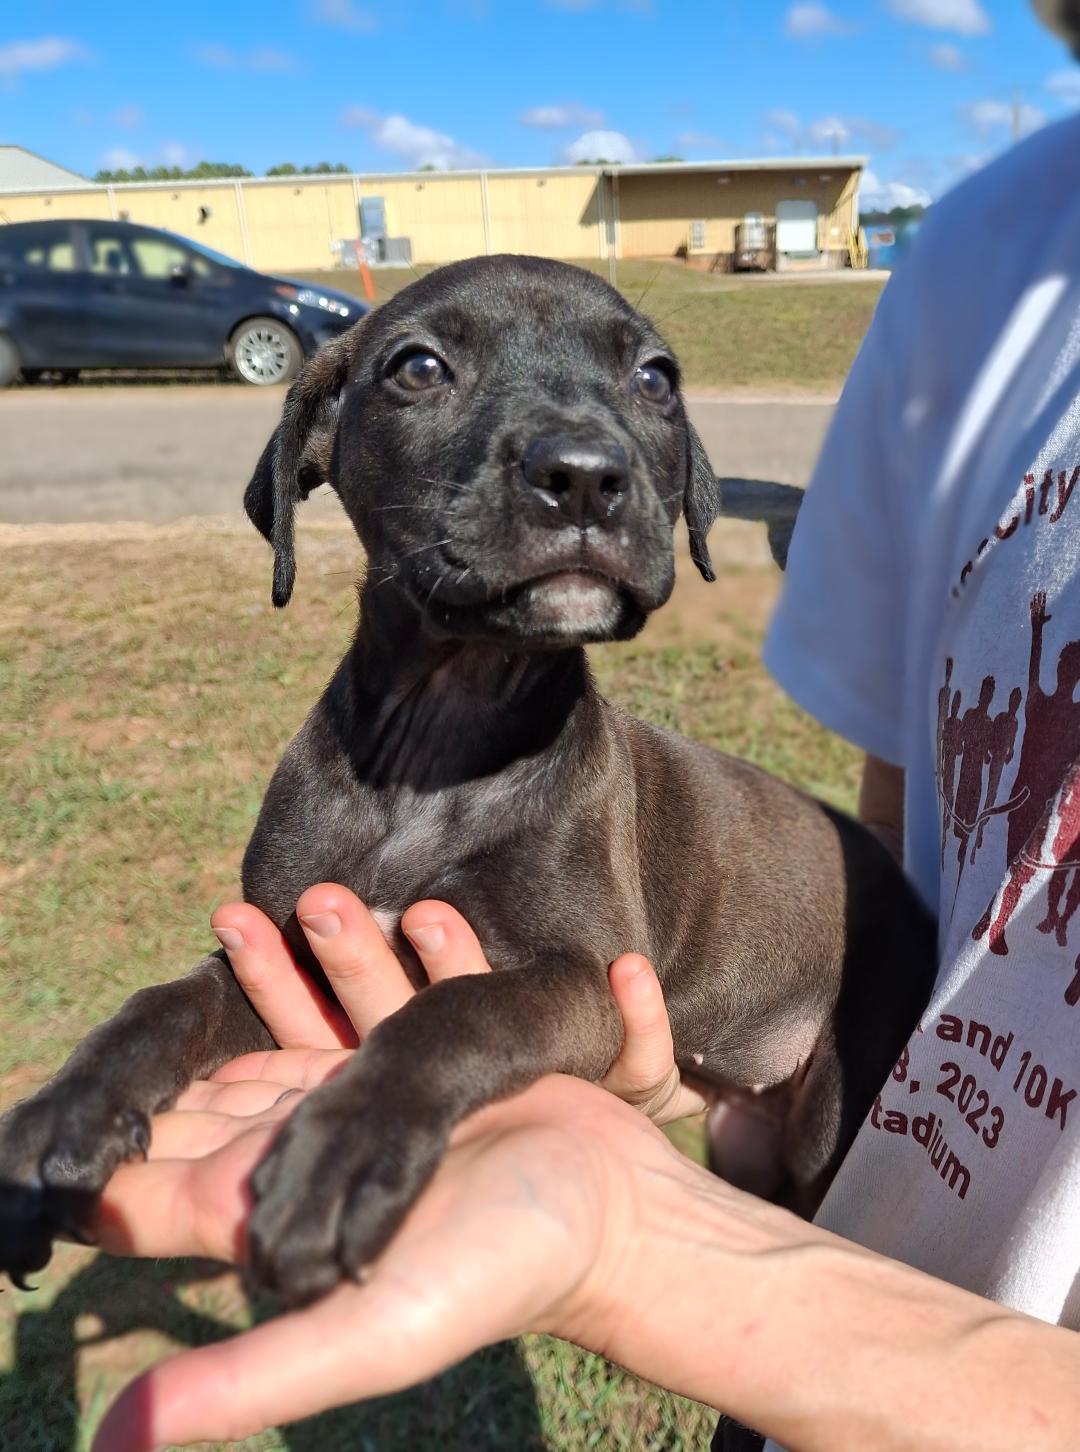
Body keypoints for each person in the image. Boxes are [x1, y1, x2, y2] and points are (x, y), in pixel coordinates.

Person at [89, 11, 1080, 1448]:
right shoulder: (987, 262)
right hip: (863, 1261)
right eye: (427, 371)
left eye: (646, 386)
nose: (586, 452)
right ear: (319, 451)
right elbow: (908, 811)